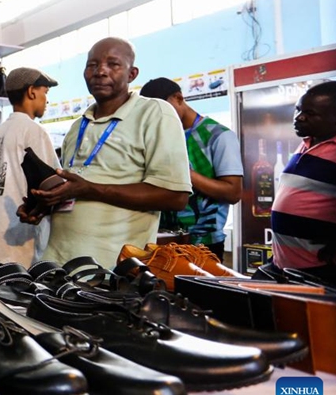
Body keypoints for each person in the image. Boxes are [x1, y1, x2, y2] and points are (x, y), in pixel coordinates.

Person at [22, 37, 192, 268]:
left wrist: (90, 189)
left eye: (113, 64)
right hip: (56, 265)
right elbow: (78, 189)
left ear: (132, 74)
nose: (100, 71)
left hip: (110, 274)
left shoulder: (155, 113)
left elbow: (175, 196)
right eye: (92, 65)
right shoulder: (78, 126)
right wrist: (46, 204)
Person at [140, 77, 243, 261]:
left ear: (178, 98)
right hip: (162, 241)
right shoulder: (160, 137)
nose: (158, 118)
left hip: (204, 244)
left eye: (163, 110)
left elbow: (233, 192)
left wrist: (184, 174)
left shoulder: (219, 136)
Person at [0, 67, 60, 266]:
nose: (46, 100)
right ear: (32, 92)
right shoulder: (34, 132)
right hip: (22, 246)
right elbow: (54, 186)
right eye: (45, 93)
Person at [270, 81, 336, 283]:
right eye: (298, 110)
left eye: (310, 113)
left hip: (320, 272)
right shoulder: (307, 143)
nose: (299, 117)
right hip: (284, 266)